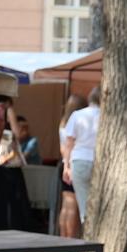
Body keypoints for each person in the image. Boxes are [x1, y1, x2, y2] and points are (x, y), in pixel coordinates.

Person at [0, 95, 29, 230]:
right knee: (13, 199)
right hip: (7, 159)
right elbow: (17, 134)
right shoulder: (7, 110)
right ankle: (14, 228)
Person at [61, 86, 101, 224]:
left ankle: (89, 236)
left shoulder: (77, 115)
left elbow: (69, 142)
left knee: (84, 206)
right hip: (100, 162)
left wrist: (66, 166)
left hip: (80, 160)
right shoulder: (107, 117)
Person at [56, 94, 84, 238]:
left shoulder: (63, 123)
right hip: (73, 164)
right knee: (73, 205)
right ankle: (71, 238)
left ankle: (63, 236)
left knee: (66, 205)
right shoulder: (78, 123)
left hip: (63, 164)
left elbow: (62, 148)